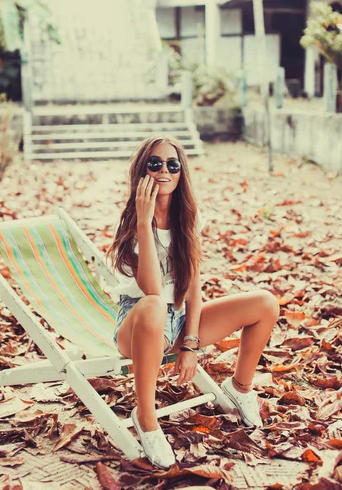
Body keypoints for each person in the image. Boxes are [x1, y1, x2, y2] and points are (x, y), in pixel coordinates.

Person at [107, 135, 279, 469]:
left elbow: (193, 289)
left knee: (265, 303)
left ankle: (240, 387)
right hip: (139, 325)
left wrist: (191, 345)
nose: (164, 171)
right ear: (142, 170)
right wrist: (144, 221)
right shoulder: (132, 225)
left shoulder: (187, 219)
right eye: (154, 163)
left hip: (178, 320)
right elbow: (152, 290)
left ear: (181, 173)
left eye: (173, 164)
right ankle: (146, 417)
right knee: (155, 303)